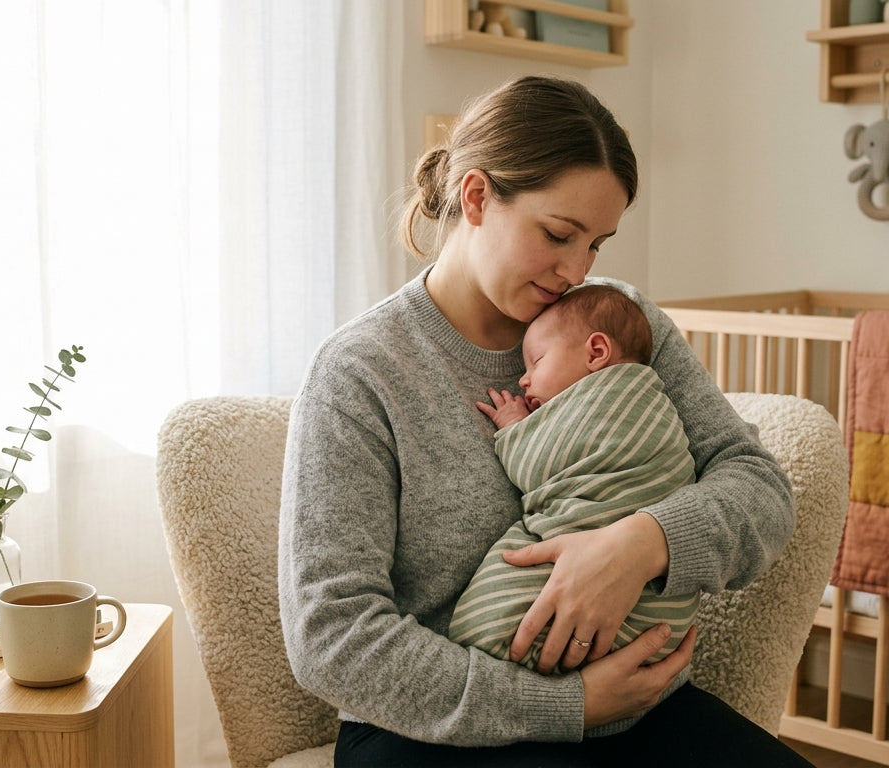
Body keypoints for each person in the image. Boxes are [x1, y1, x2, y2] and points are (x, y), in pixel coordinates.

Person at [278, 75, 812, 767]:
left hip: (640, 712)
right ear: (475, 197)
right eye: (559, 234)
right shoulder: (361, 371)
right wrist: (566, 705)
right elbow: (331, 637)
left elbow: (761, 492)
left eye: (597, 243)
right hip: (430, 732)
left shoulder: (618, 324)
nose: (576, 269)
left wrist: (642, 544)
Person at [448, 285, 699, 672]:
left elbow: (537, 467)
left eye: (536, 362)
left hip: (638, 596)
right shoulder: (645, 396)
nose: (524, 381)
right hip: (665, 625)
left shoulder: (611, 400)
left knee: (483, 623)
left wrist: (516, 427)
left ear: (596, 353)